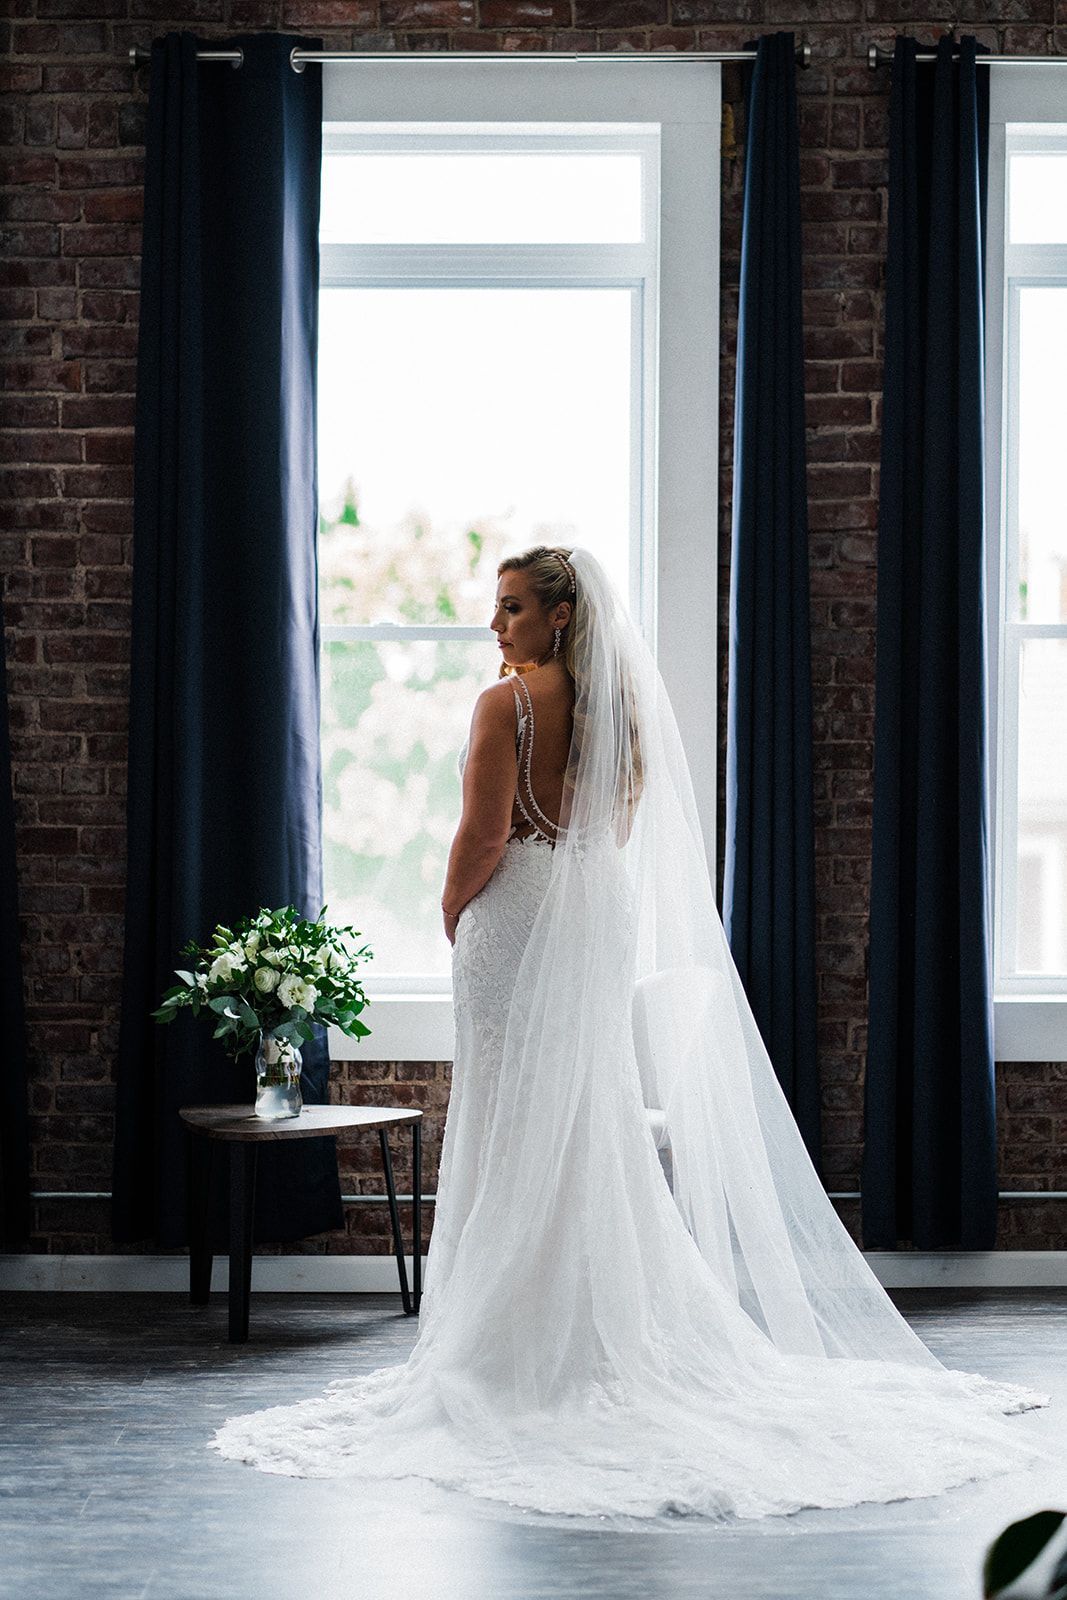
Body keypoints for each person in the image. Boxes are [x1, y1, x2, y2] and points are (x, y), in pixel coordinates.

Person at [213, 544, 1057, 1522]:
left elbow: (482, 834)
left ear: (560, 616)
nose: (497, 628)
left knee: (510, 1111)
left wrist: (450, 906)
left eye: (514, 609)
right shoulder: (618, 711)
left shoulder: (505, 704)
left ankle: (512, 1342)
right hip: (592, 915)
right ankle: (595, 1325)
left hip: (518, 913)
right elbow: (606, 835)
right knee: (586, 1110)